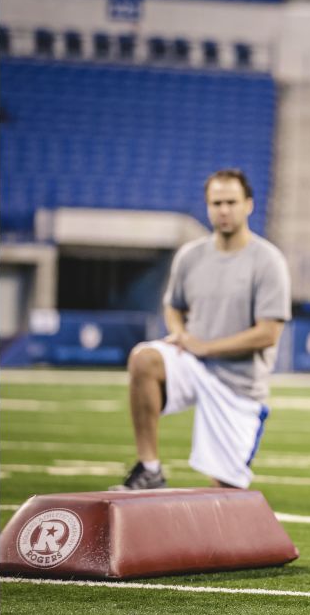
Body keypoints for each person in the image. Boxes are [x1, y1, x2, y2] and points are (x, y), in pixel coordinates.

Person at [112, 168, 291, 491]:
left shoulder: (267, 261)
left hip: (238, 384)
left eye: (231, 202)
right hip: (193, 365)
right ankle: (149, 468)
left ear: (248, 204)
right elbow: (173, 305)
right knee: (144, 358)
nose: (223, 210)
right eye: (216, 202)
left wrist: (205, 346)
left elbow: (268, 333)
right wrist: (180, 334)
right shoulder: (190, 256)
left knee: (225, 492)